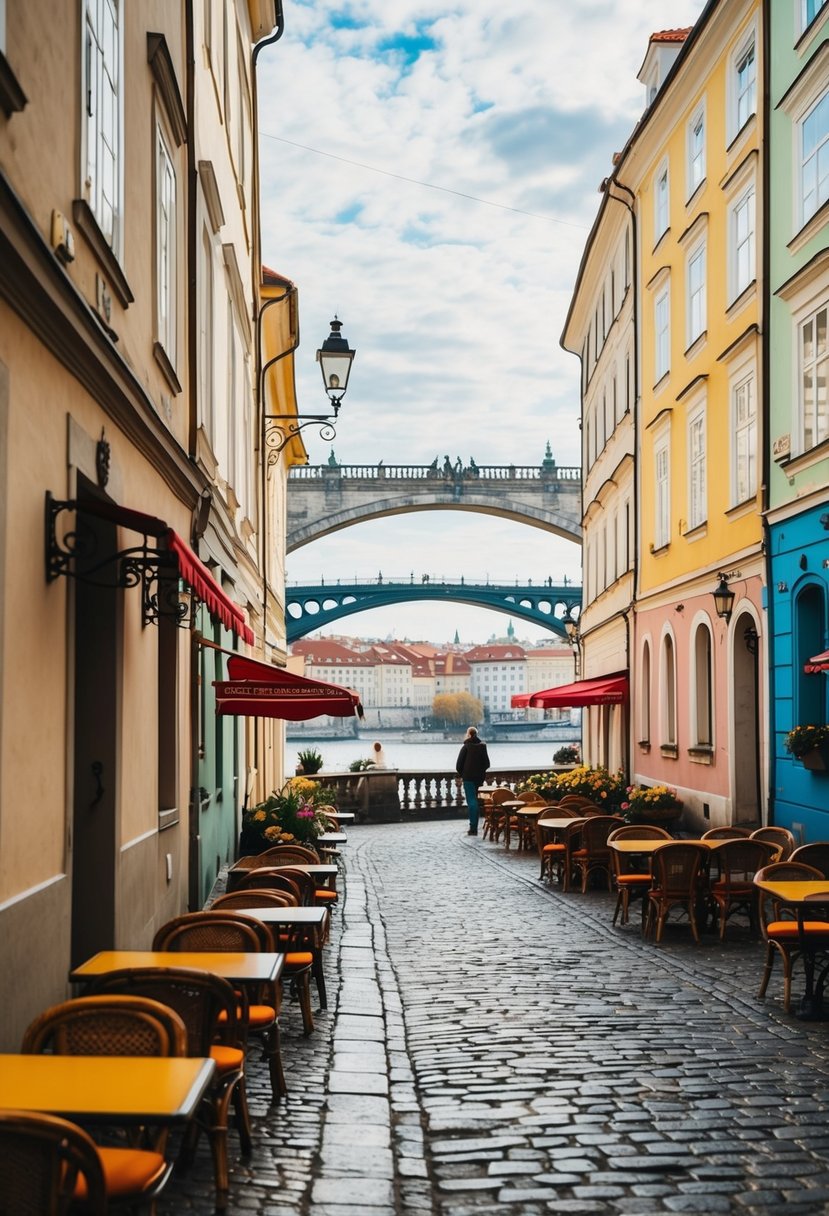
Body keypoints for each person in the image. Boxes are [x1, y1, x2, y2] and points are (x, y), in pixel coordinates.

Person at [455, 726, 490, 837]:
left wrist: (462, 773)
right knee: (475, 801)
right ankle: (474, 825)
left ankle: (473, 828)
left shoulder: (466, 747)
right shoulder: (482, 747)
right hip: (479, 778)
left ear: (469, 734)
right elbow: (487, 764)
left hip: (468, 778)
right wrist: (480, 771)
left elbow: (458, 765)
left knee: (471, 802)